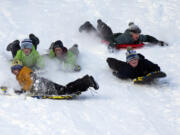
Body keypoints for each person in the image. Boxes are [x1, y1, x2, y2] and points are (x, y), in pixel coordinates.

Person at [11, 60, 99, 96]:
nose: (15, 70)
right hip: (42, 84)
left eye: (17, 68)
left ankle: (87, 81)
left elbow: (31, 79)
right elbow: (26, 85)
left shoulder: (24, 71)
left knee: (64, 91)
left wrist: (26, 90)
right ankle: (86, 81)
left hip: (42, 85)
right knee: (64, 89)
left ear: (20, 68)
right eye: (13, 69)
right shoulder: (18, 76)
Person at [79, 20, 168, 49]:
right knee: (101, 34)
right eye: (135, 34)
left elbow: (148, 37)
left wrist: (157, 42)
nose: (137, 36)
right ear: (131, 33)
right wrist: (112, 45)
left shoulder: (140, 37)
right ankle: (88, 26)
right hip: (111, 38)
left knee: (106, 30)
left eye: (138, 34)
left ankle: (99, 24)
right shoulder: (125, 38)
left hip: (115, 36)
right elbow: (113, 41)